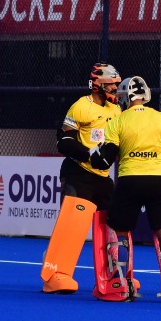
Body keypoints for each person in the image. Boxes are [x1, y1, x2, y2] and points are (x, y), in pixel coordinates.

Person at [88, 76, 161, 303]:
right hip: (159, 179)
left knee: (119, 229)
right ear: (146, 95)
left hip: (130, 179)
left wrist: (94, 154)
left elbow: (104, 161)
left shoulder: (118, 121)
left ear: (126, 97)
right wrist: (159, 163)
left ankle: (120, 286)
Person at [39, 62, 124, 294]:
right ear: (97, 85)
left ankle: (115, 276)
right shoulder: (80, 107)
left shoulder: (117, 110)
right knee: (72, 225)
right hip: (79, 173)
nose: (116, 89)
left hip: (103, 177)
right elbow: (64, 141)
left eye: (117, 85)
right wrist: (88, 154)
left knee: (113, 226)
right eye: (111, 85)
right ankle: (55, 275)